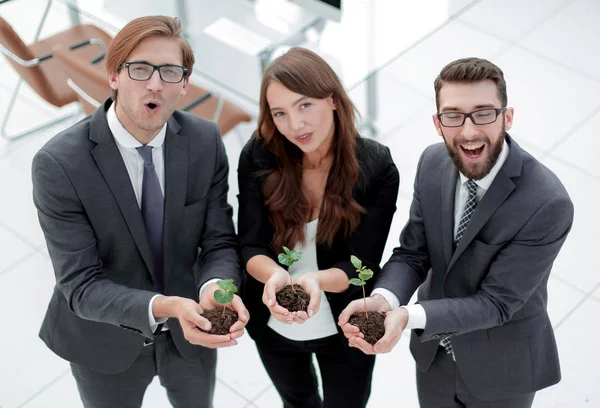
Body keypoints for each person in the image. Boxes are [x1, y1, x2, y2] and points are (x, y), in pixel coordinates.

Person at [32, 16, 248, 408]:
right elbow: (80, 285)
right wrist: (165, 306)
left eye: (169, 72)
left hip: (192, 332)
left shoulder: (204, 141)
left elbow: (218, 240)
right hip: (104, 341)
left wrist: (215, 288)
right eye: (140, 69)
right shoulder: (58, 164)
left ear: (184, 84)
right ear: (114, 75)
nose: (155, 84)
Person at [339, 57, 574, 407]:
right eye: (453, 116)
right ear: (438, 123)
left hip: (501, 368)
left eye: (483, 113)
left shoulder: (547, 203)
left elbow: (496, 303)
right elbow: (413, 253)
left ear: (507, 117)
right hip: (433, 356)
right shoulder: (432, 163)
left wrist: (408, 316)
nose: (468, 131)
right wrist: (383, 300)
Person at [237, 47, 399, 408]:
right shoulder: (259, 156)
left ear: (333, 100)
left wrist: (314, 282)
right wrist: (277, 278)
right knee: (296, 401)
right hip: (272, 321)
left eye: (304, 105)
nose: (294, 125)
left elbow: (362, 265)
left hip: (344, 322)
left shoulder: (377, 167)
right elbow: (250, 246)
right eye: (280, 113)